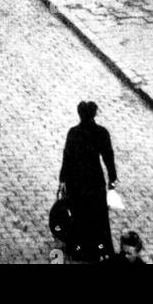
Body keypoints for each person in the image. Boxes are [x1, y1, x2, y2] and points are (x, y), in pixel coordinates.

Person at [58, 100, 118, 263]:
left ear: (80, 114)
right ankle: (98, 249)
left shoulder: (73, 132)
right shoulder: (102, 133)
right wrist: (112, 178)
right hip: (94, 179)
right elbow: (108, 156)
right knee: (97, 215)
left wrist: (62, 179)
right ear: (94, 114)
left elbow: (67, 157)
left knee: (78, 214)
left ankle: (77, 249)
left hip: (76, 180)